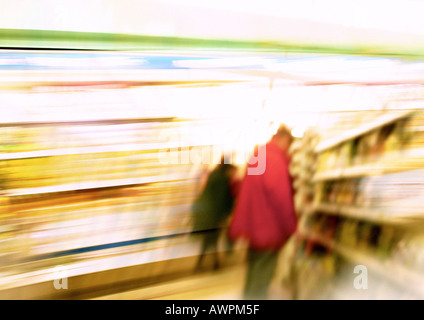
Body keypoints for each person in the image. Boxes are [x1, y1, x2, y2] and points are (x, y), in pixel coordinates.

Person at [228, 125, 298, 300]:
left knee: (253, 276)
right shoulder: (274, 159)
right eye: (289, 145)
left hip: (254, 229)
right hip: (269, 231)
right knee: (261, 281)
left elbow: (247, 192)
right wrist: (290, 228)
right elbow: (281, 198)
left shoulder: (258, 157)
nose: (288, 151)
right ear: (284, 140)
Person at [191, 155, 238, 271]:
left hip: (206, 213)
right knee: (211, 239)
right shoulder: (222, 179)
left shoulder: (214, 175)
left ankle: (207, 263)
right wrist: (228, 212)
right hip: (213, 215)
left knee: (209, 240)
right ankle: (212, 263)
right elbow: (223, 199)